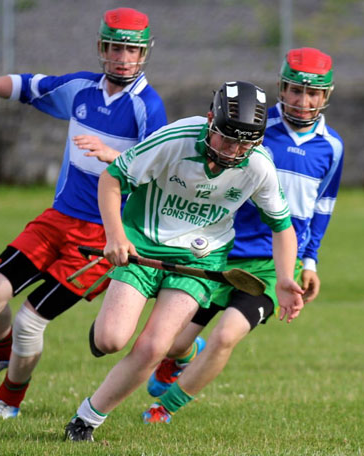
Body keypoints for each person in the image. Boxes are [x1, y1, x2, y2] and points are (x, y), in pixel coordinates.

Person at [0, 7, 167, 419]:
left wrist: (116, 156)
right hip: (56, 219)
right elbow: (26, 86)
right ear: (102, 48)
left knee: (31, 321)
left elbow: (161, 172)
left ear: (144, 54)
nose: (123, 58)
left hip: (101, 238)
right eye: (116, 48)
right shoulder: (82, 88)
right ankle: (0, 351)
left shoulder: (148, 108)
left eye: (132, 50)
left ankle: (9, 400)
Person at [64, 80, 305, 442]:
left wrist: (285, 277)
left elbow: (283, 227)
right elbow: (112, 179)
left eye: (245, 142)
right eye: (227, 138)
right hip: (142, 244)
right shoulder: (176, 138)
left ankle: (85, 421)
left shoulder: (258, 165)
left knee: (154, 346)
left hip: (199, 256)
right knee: (111, 340)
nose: (233, 150)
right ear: (211, 120)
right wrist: (116, 236)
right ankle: (111, 331)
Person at [143, 47, 344, 423]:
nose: (304, 100)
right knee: (173, 344)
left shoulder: (332, 147)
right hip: (222, 252)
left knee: (226, 337)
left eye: (313, 93)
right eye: (296, 90)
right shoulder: (253, 128)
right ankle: (182, 358)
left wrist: (310, 261)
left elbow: (323, 207)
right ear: (281, 90)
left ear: (325, 96)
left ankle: (163, 408)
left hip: (271, 266)